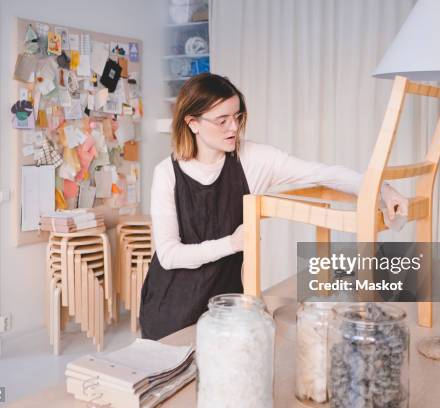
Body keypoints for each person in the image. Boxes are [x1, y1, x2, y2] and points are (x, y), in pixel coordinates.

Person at [139, 73, 408, 340]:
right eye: (222, 121)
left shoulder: (254, 159)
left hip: (226, 306)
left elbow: (323, 173)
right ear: (193, 123)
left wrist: (383, 190)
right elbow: (169, 255)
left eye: (237, 117)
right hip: (170, 308)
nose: (233, 128)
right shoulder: (167, 173)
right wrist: (232, 243)